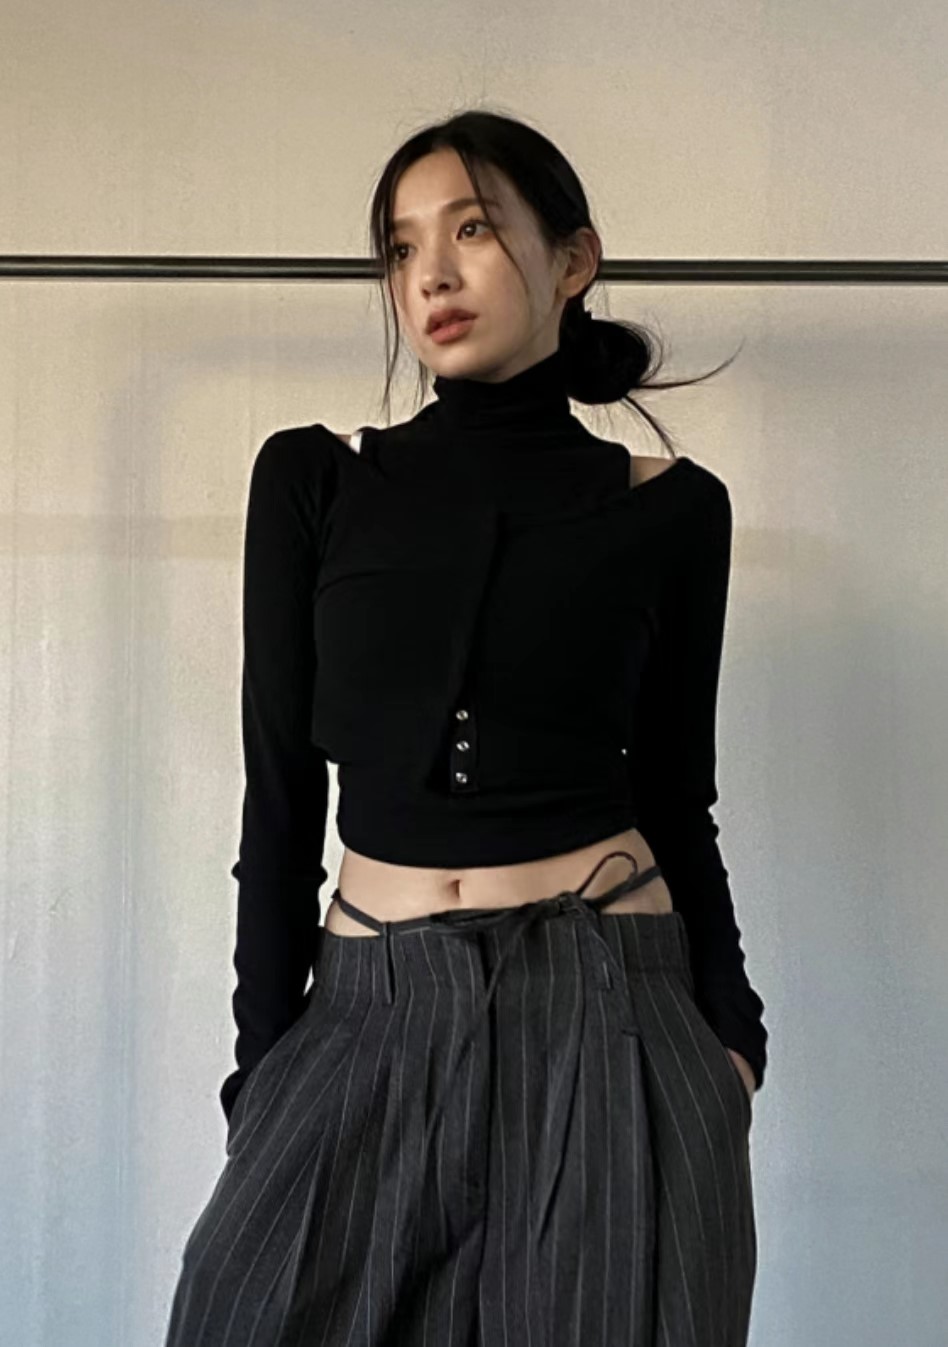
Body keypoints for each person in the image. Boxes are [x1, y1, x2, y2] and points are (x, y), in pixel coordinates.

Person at [164, 107, 768, 1346]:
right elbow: (280, 799)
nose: (430, 274)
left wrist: (731, 1041)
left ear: (574, 260)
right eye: (401, 248)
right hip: (367, 1004)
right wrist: (263, 1071)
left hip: (610, 1009)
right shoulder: (315, 480)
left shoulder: (673, 510)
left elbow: (677, 792)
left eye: (474, 230)